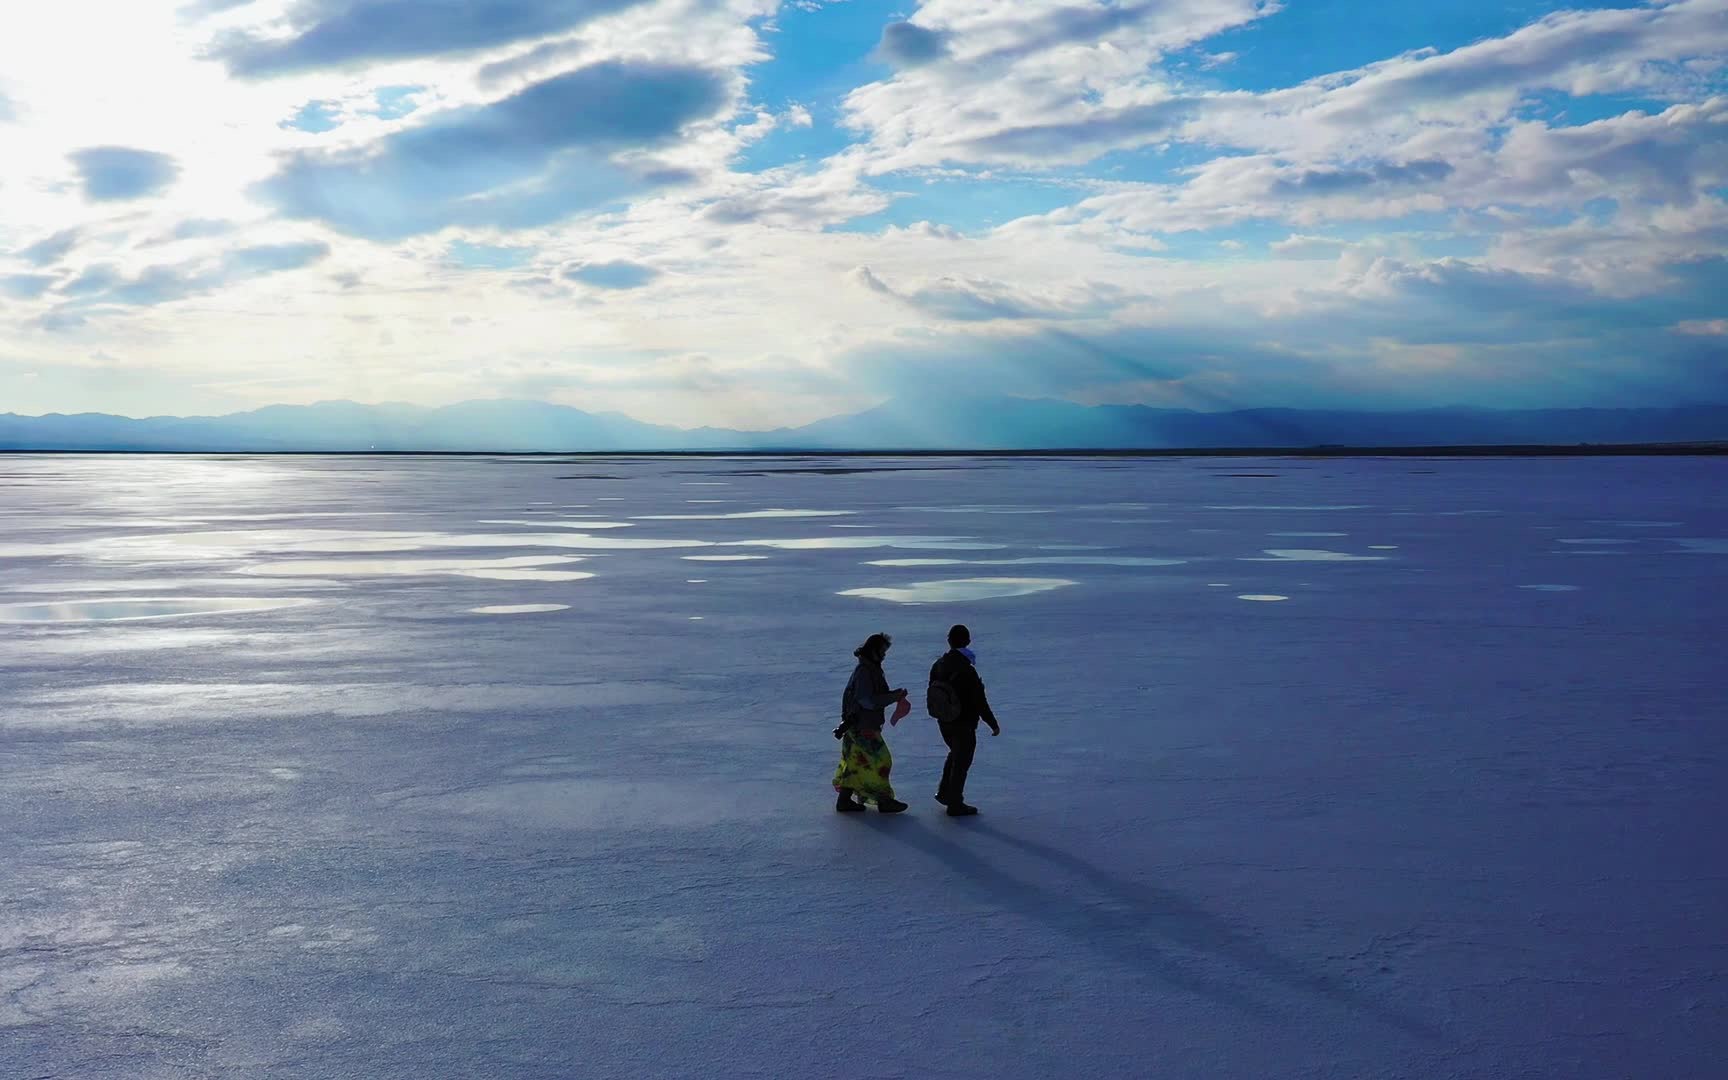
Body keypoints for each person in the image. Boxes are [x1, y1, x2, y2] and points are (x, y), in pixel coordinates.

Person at [832, 632, 910, 814]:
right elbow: (867, 700)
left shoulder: (868, 669)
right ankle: (884, 801)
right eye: (882, 651)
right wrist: (893, 697)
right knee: (881, 761)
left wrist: (892, 695)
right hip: (863, 727)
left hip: (858, 725)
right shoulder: (865, 671)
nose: (884, 654)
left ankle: (844, 801)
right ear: (873, 650)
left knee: (855, 764)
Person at [929, 624, 999, 816]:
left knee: (955, 754)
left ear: (949, 641)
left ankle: (945, 793)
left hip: (944, 721)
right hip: (963, 723)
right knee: (962, 761)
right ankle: (955, 803)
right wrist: (992, 723)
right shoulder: (967, 670)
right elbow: (979, 701)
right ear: (967, 641)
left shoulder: (938, 665)